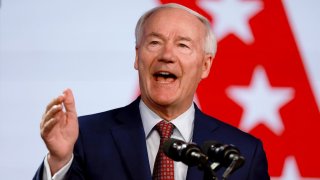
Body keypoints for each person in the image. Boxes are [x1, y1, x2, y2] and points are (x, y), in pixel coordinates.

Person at [34, 3, 269, 180]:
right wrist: (59, 161)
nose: (166, 55)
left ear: (205, 66)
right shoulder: (84, 137)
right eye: (154, 43)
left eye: (183, 45)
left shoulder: (243, 154)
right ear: (137, 57)